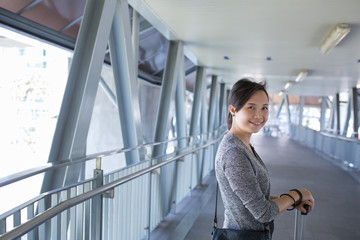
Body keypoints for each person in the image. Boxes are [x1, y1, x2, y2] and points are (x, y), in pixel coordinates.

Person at [214, 78, 315, 237]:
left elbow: (256, 198)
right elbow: (263, 213)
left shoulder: (243, 145)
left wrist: (291, 202)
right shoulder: (234, 152)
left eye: (264, 108)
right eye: (251, 107)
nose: (259, 115)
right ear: (233, 110)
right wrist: (297, 194)